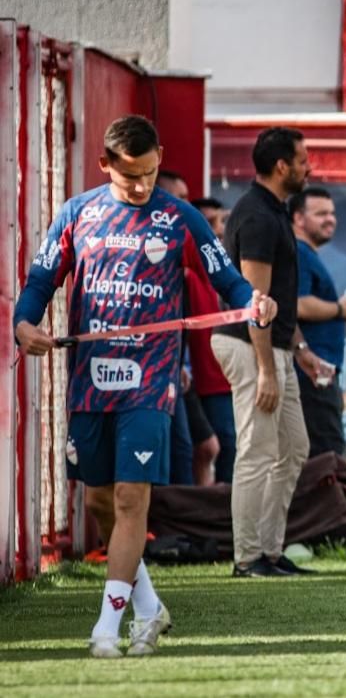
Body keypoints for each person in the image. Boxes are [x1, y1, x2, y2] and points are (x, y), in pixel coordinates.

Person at [13, 115, 275, 657]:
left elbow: (224, 277)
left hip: (150, 380)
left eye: (151, 173)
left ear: (158, 156)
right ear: (105, 164)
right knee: (101, 503)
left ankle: (106, 630)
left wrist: (254, 300)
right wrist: (24, 325)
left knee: (134, 499)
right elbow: (40, 280)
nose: (142, 186)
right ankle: (149, 607)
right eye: (131, 176)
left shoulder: (179, 218)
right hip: (89, 380)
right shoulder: (77, 213)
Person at [211, 127, 326, 579]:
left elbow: (278, 297)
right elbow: (255, 299)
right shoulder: (257, 216)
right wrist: (266, 370)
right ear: (282, 166)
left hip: (273, 346)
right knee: (257, 451)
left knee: (293, 447)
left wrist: (300, 349)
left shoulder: (273, 210)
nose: (308, 166)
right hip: (248, 346)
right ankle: (247, 559)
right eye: (303, 158)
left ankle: (271, 553)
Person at [155, 171, 218, 486]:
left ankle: (188, 529)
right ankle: (174, 530)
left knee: (195, 448)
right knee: (177, 452)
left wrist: (182, 363)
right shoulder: (147, 247)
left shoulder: (187, 247)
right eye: (179, 198)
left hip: (178, 370)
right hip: (149, 371)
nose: (186, 206)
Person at [292, 187, 346, 457]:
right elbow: (297, 304)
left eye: (332, 213)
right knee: (327, 457)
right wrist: (339, 309)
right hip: (312, 375)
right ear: (298, 218)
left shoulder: (306, 254)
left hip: (319, 373)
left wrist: (342, 309)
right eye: (321, 213)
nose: (330, 219)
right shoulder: (298, 252)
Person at [189, 195, 236, 480]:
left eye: (221, 222)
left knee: (229, 451)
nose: (217, 230)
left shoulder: (223, 274)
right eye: (208, 223)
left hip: (225, 380)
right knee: (213, 449)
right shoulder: (186, 273)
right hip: (199, 383)